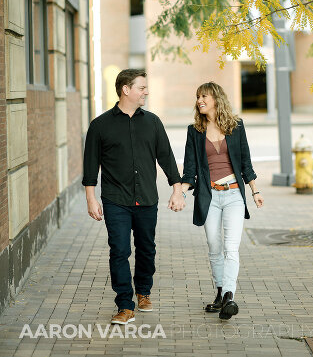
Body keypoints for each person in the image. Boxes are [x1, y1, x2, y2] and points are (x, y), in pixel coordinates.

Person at [83, 69, 185, 325]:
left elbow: (167, 158)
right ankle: (125, 305)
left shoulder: (152, 122)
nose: (146, 92)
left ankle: (144, 291)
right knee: (119, 250)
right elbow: (90, 165)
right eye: (142, 87)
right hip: (115, 199)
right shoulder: (100, 125)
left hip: (147, 199)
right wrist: (91, 198)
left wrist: (177, 189)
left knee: (146, 248)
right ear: (125, 90)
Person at [180, 82, 264, 320]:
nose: (199, 100)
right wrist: (182, 193)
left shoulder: (236, 127)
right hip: (210, 196)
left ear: (216, 98)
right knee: (215, 248)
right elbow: (190, 169)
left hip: (234, 195)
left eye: (204, 96)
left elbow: (246, 162)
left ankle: (229, 295)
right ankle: (220, 294)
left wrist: (255, 191)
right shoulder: (194, 131)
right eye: (197, 97)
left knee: (231, 247)